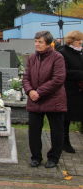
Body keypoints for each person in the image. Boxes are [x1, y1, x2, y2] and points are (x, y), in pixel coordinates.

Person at [22, 31, 67, 169]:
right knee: (34, 131)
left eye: (40, 42)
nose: (37, 44)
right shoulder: (32, 58)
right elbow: (26, 77)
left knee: (56, 131)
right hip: (35, 100)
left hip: (53, 99)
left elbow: (58, 79)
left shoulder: (57, 57)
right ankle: (36, 157)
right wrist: (30, 91)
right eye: (35, 41)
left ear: (48, 43)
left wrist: (39, 92)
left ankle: (53, 158)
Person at [58, 30, 83, 153]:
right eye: (79, 42)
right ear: (73, 41)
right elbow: (64, 72)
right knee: (66, 118)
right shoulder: (63, 53)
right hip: (68, 91)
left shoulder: (79, 53)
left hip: (79, 90)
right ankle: (64, 142)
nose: (81, 44)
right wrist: (80, 74)